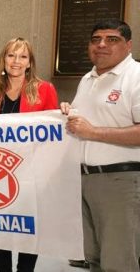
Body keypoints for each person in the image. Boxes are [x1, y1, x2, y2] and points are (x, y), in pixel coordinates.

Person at [60, 19, 140, 271]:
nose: (102, 45)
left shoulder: (135, 76)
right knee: (93, 257)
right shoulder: (88, 78)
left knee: (118, 261)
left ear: (128, 45)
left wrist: (93, 132)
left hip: (119, 180)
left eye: (111, 39)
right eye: (96, 40)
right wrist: (66, 112)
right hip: (85, 180)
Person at [0, 37, 58, 272]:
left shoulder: (45, 89)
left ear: (30, 62)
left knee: (28, 231)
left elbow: (54, 135)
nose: (16, 61)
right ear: (3, 59)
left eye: (23, 56)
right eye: (11, 55)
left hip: (31, 174)